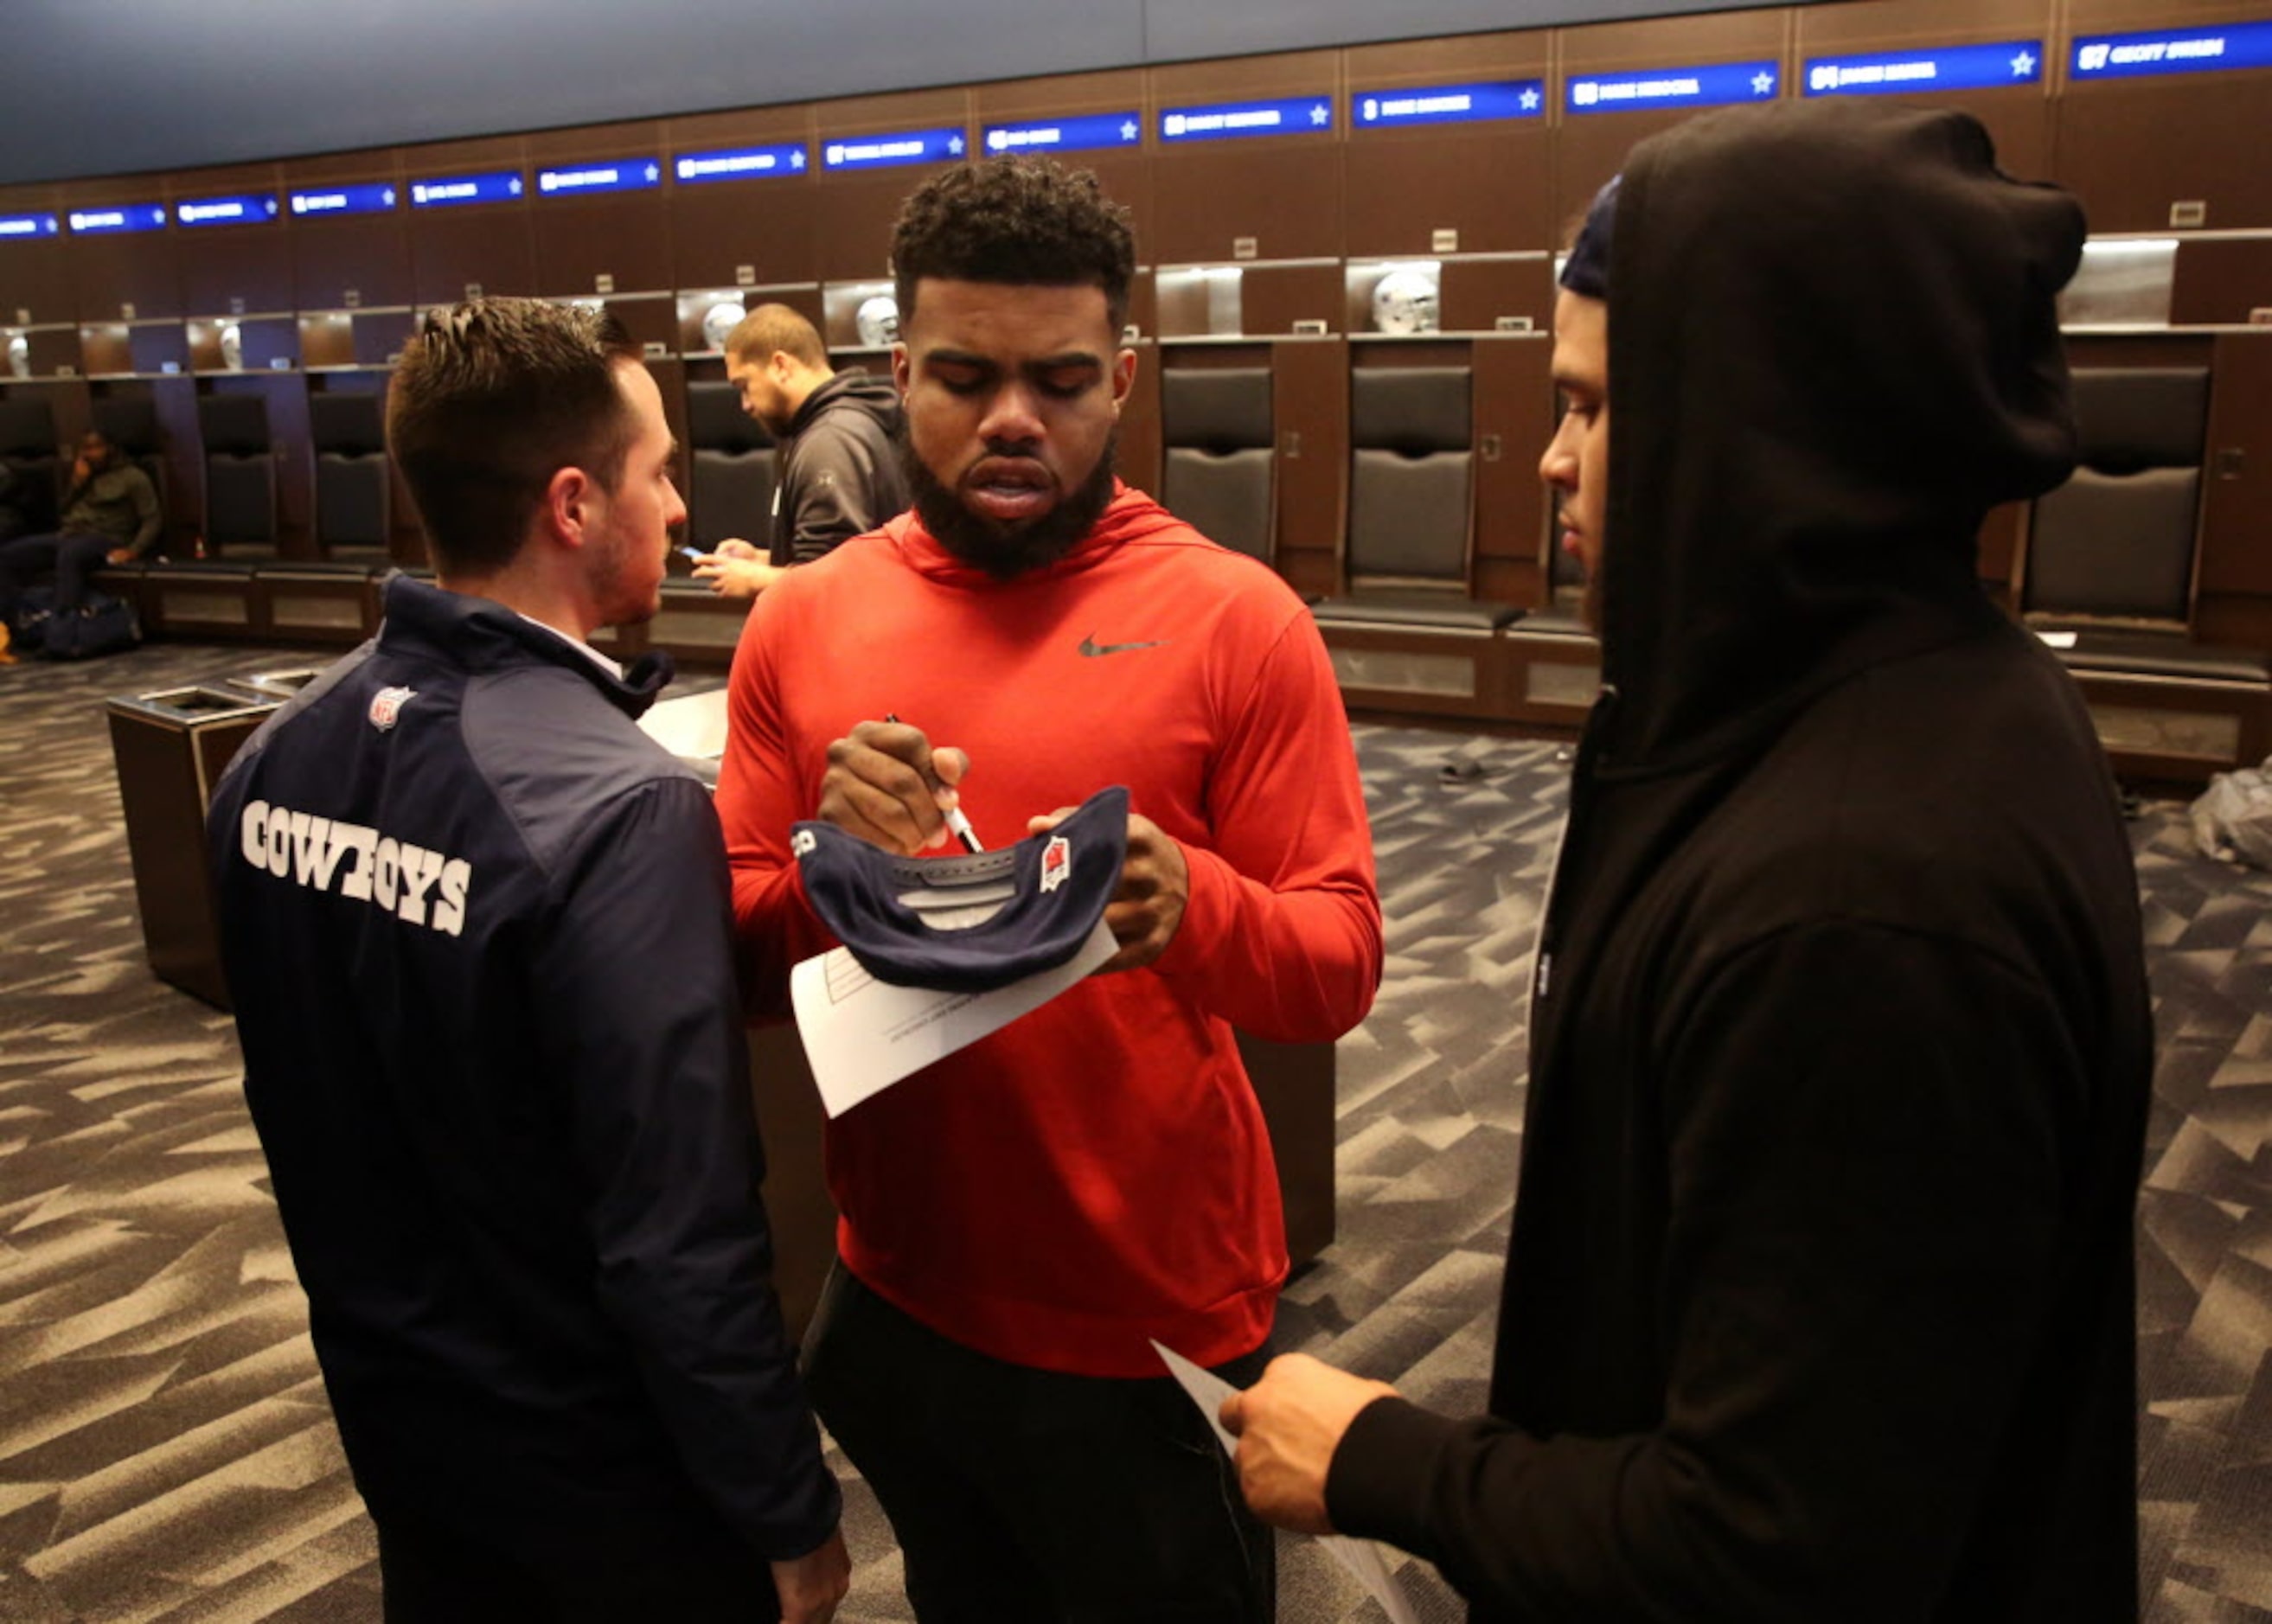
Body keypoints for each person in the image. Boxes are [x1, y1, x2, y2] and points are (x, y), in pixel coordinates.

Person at [1221, 99, 2154, 1621]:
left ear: (1763, 424)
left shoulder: (1861, 904)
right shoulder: (1892, 686)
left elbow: (1777, 1550)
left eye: (1590, 408)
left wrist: (1384, 1462)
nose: (1544, 463)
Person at [714, 157, 1383, 1622]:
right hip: (894, 1286)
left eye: (1061, 379)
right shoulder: (806, 622)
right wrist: (834, 868)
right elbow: (740, 966)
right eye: (964, 375)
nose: (1013, 416)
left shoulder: (1233, 618)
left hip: (1147, 1309)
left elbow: (1335, 963)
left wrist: (1188, 903)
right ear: (897, 375)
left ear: (1124, 378)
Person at [205, 298, 848, 1623]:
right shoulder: (624, 810)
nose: (678, 507)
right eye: (659, 471)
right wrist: (786, 1507)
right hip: (609, 1487)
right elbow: (678, 1234)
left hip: (397, 1429)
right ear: (572, 503)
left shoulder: (268, 763)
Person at [692, 302, 908, 599]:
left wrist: (759, 580)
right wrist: (762, 559)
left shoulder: (830, 441)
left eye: (745, 385)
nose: (745, 404)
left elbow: (836, 581)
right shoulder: (848, 422)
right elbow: (844, 556)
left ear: (780, 365)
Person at [0, 428, 160, 630]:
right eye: (85, 449)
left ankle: (62, 624)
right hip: (68, 535)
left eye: (95, 448)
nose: (89, 454)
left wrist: (134, 550)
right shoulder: (83, 475)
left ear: (111, 449)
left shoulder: (133, 477)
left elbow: (152, 519)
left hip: (105, 538)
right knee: (7, 555)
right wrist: (77, 484)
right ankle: (12, 623)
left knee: (71, 554)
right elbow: (62, 511)